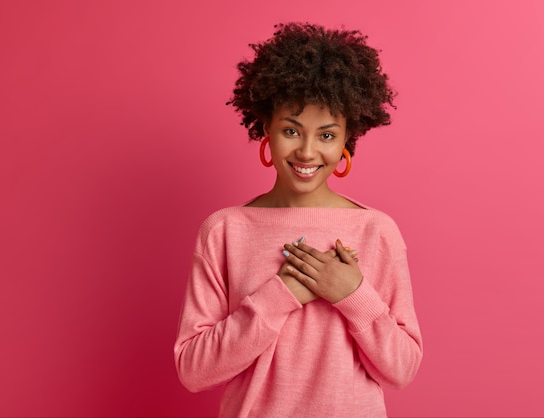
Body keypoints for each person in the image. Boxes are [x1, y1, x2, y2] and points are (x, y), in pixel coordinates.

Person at [174, 22, 423, 417]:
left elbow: (402, 369)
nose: (307, 152)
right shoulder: (225, 231)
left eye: (326, 135)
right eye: (291, 130)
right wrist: (281, 295)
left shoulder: (376, 231)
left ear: (346, 140)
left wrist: (352, 294)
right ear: (266, 131)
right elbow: (193, 370)